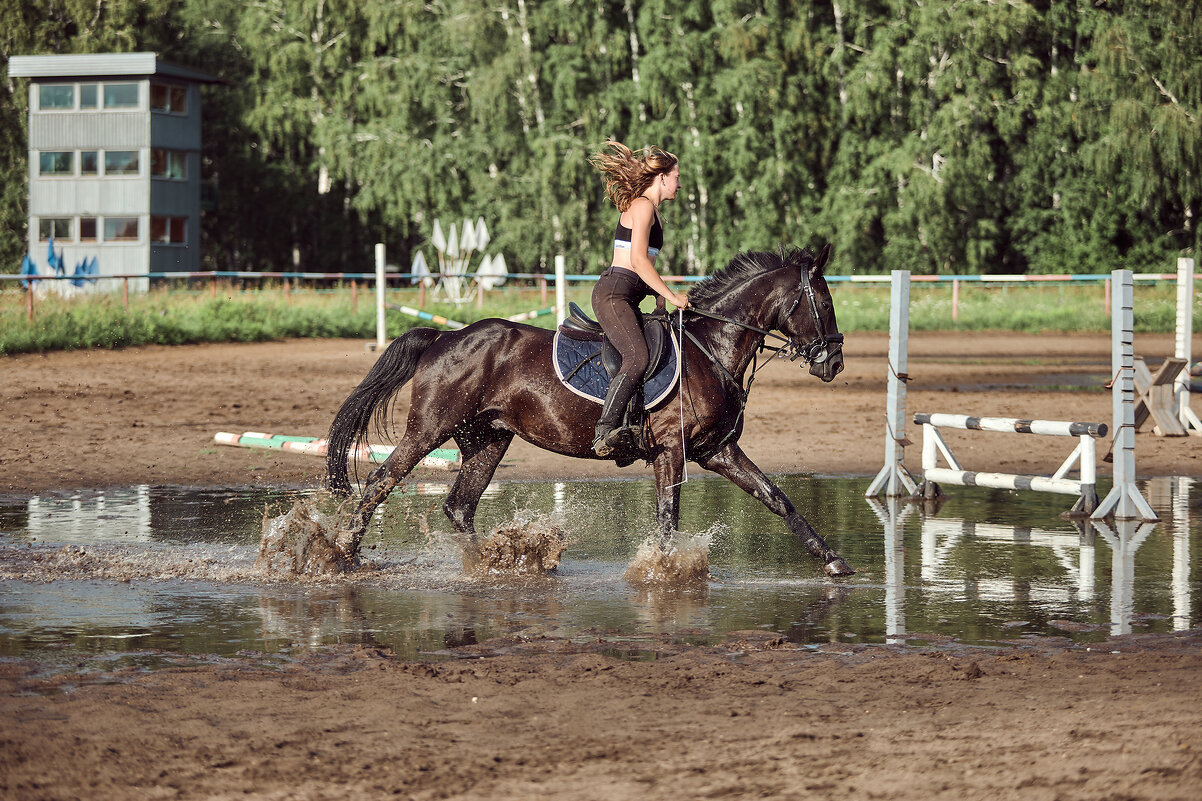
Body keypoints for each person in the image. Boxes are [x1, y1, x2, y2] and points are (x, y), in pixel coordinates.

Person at [587, 140, 690, 457]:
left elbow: (642, 271)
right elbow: (637, 262)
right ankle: (604, 433)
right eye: (676, 176)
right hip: (614, 293)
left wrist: (658, 299)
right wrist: (670, 295)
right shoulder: (643, 206)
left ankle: (635, 426)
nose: (679, 183)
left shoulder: (652, 210)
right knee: (637, 357)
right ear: (662, 178)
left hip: (628, 294)